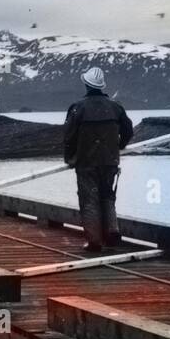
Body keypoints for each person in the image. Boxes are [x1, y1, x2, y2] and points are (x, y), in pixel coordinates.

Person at [63, 67, 133, 254]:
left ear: (86, 84)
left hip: (86, 163)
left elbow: (69, 137)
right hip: (110, 161)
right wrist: (119, 146)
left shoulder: (78, 108)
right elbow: (128, 130)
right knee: (108, 196)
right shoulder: (115, 107)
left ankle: (94, 241)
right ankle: (112, 232)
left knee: (89, 200)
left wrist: (69, 159)